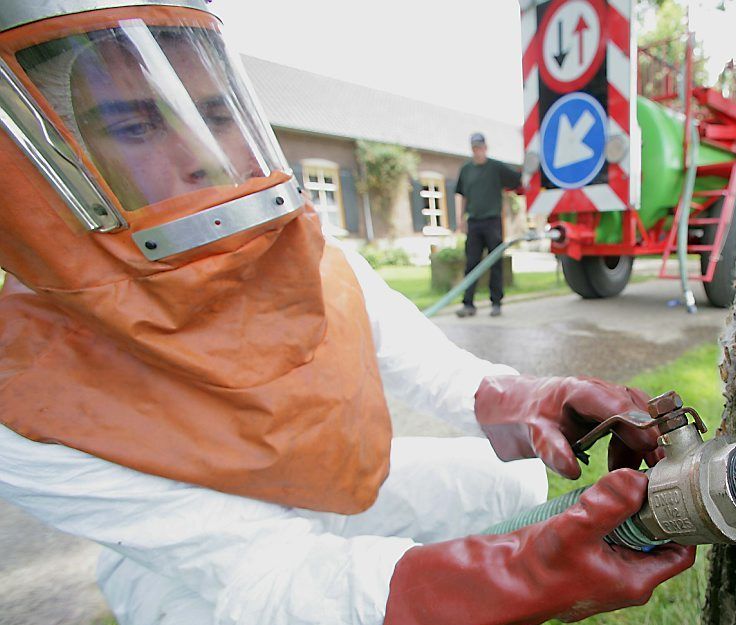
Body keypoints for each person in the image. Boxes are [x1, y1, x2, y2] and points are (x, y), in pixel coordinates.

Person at [0, 3, 695, 625]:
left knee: (503, 479)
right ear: (54, 162)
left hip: (331, 481)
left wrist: (532, 400)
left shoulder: (305, 250)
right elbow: (264, 576)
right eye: (134, 125)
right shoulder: (25, 391)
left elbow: (437, 375)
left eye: (214, 116)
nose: (202, 160)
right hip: (185, 560)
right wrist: (499, 579)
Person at [454, 133, 522, 318]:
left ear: (485, 148)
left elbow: (516, 180)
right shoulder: (466, 170)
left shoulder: (495, 167)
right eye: (475, 148)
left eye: (480, 147)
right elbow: (461, 194)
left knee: (495, 262)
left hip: (492, 221)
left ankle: (496, 303)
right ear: (472, 149)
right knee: (471, 263)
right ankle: (468, 303)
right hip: (474, 222)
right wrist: (460, 219)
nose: (478, 151)